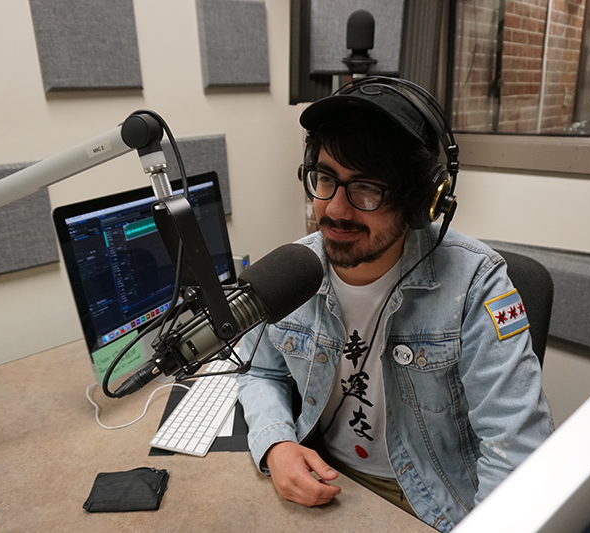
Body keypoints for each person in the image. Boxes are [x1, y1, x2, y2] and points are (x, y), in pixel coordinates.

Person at [236, 77, 553, 531]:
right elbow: (260, 370)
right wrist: (277, 444)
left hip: (433, 500)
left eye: (367, 188)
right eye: (325, 179)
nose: (337, 211)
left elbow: (517, 446)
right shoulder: (293, 272)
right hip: (327, 479)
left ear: (423, 200)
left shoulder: (477, 283)